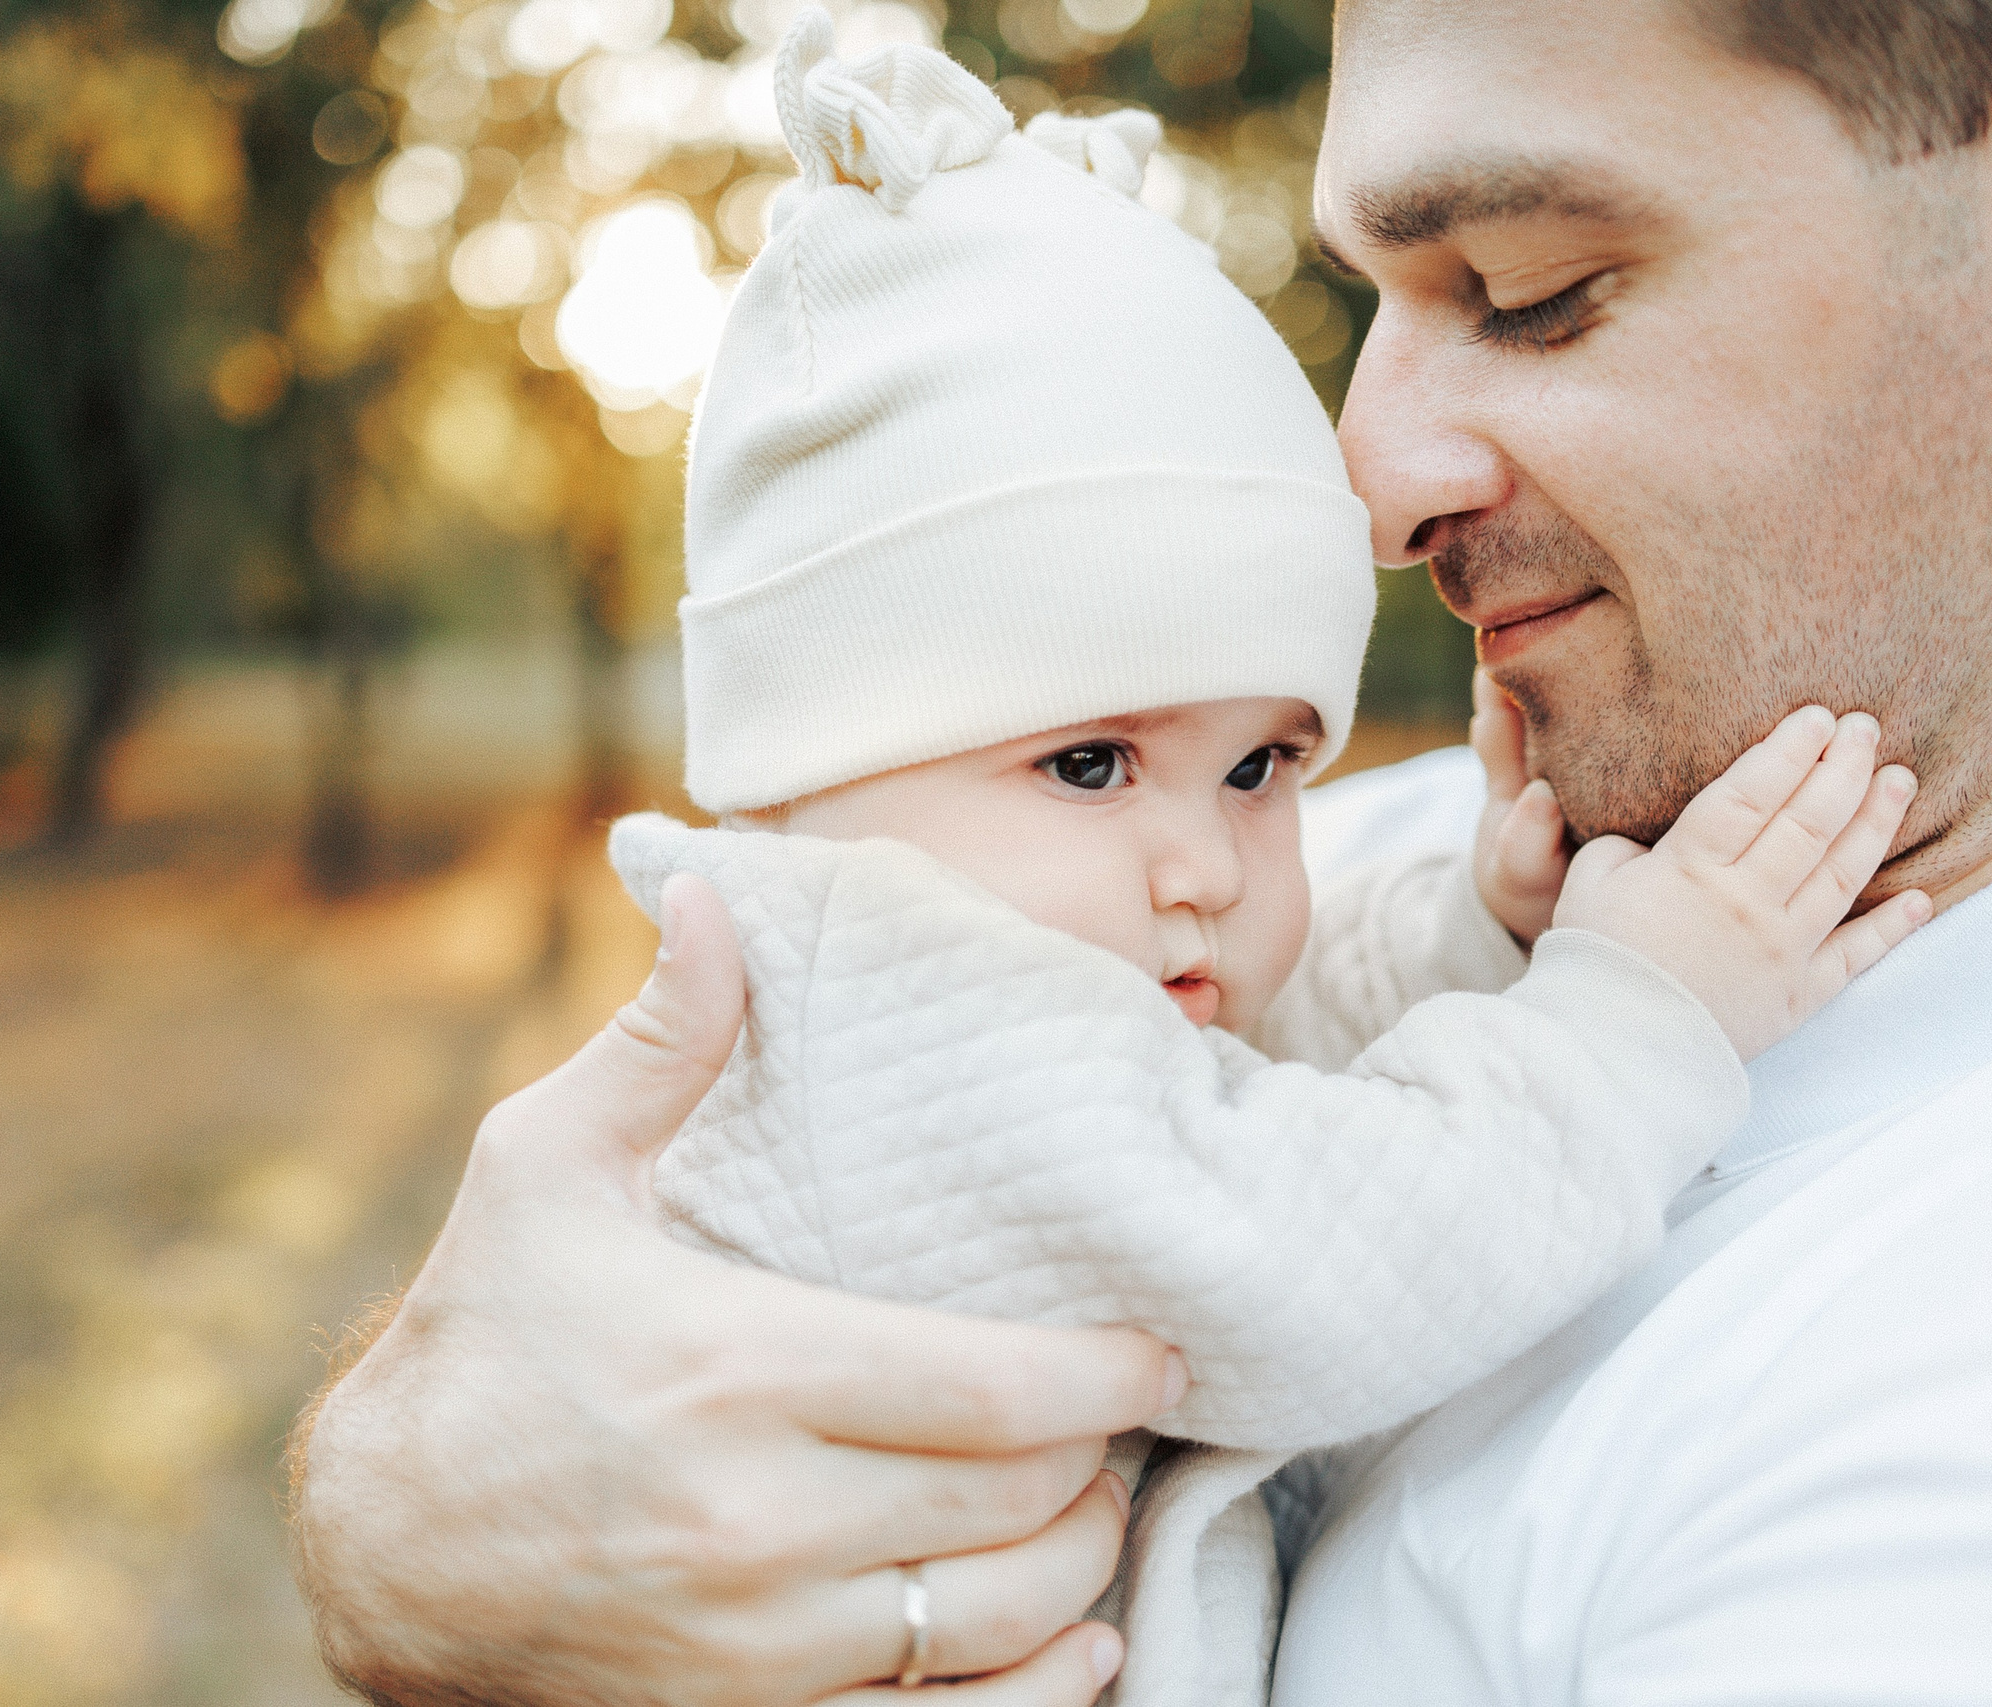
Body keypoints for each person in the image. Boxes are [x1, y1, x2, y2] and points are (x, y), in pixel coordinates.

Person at [285, 1, 1992, 1702]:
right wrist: (408, 1504)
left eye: (1531, 288)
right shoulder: (1283, 879)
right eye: (1092, 761)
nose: (1366, 478)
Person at [598, 16, 1924, 1701]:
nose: (1207, 868)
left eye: (1258, 769)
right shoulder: (887, 1025)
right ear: (809, 773)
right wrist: (1633, 1021)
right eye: (1089, 765)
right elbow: (1317, 1244)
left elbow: (1257, 1084)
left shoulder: (1027, 983)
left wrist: (1470, 933)